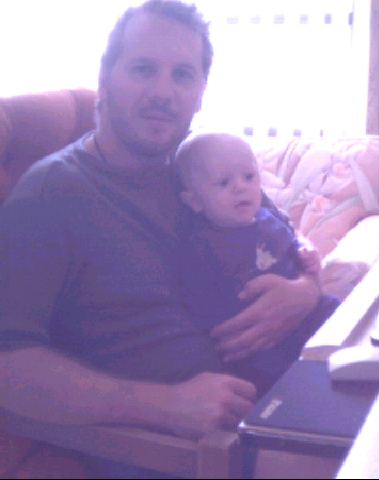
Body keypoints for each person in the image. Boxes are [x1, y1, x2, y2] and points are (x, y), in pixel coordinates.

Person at [0, 0, 323, 452]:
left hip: (286, 392)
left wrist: (305, 290)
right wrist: (165, 405)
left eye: (182, 75)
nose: (163, 92)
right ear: (104, 79)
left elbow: (283, 234)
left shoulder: (201, 163)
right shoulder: (51, 193)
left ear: (201, 92)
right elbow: (9, 365)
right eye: (144, 69)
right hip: (186, 450)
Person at [174, 132, 341, 394]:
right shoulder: (201, 244)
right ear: (194, 201)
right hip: (254, 340)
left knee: (340, 312)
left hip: (304, 313)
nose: (240, 187)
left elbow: (291, 244)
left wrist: (305, 254)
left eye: (249, 177)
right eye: (223, 182)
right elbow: (195, 297)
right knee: (274, 378)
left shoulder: (268, 219)